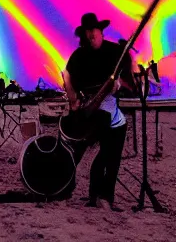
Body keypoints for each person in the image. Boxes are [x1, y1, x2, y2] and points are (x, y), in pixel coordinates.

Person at [63, 13, 133, 212]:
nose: (91, 37)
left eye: (93, 32)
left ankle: (105, 197)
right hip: (93, 110)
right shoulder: (80, 55)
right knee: (103, 153)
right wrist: (73, 101)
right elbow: (67, 76)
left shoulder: (114, 51)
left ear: (100, 31)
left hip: (112, 109)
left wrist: (118, 83)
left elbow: (126, 75)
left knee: (113, 155)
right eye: (87, 34)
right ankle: (95, 196)